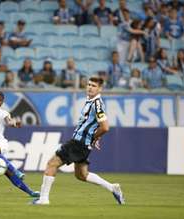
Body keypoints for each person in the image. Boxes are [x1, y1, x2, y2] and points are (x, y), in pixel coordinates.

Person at [32, 76, 125, 205]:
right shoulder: (90, 101)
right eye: (89, 84)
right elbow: (97, 125)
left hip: (79, 143)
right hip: (82, 144)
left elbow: (105, 127)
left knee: (51, 164)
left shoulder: (97, 104)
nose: (90, 87)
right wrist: (95, 136)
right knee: (81, 175)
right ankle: (112, 187)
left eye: (94, 86)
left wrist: (93, 137)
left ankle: (43, 199)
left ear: (100, 89)